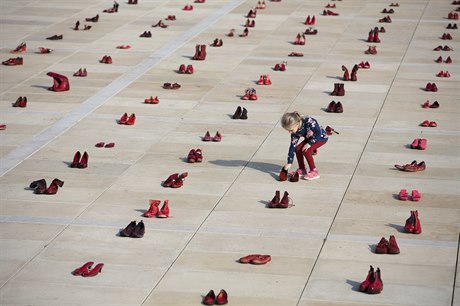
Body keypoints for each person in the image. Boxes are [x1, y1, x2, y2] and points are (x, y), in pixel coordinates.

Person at [281, 111, 328, 180]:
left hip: (321, 137)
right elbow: (292, 146)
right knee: (297, 149)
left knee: (306, 151)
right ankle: (302, 169)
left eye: (291, 130)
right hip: (310, 138)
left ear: (297, 124)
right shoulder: (295, 131)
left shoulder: (309, 121)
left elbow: (318, 132)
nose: (290, 132)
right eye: (288, 130)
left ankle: (314, 171)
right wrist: (289, 162)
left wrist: (310, 143)